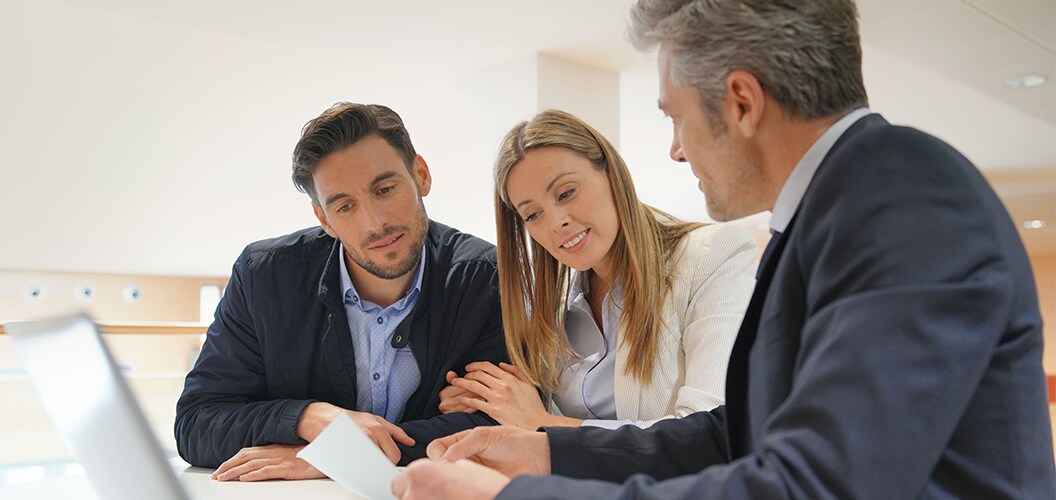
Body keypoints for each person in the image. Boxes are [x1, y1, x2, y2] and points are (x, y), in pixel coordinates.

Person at [391, 1, 1056, 498]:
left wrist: (517, 496)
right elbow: (734, 433)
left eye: (674, 116)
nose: (677, 148)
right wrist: (545, 457)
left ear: (740, 102)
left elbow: (817, 486)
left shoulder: (903, 199)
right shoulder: (834, 210)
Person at [175, 102, 508, 481]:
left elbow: (497, 429)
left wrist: (332, 458)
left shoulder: (487, 277)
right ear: (324, 219)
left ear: (421, 175)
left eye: (384, 189)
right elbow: (197, 422)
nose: (375, 223)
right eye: (345, 206)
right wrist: (309, 418)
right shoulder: (263, 275)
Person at [436, 110, 756, 431]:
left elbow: (710, 430)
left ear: (610, 172)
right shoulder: (552, 304)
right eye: (533, 214)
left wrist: (544, 425)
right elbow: (525, 409)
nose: (556, 222)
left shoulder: (714, 256)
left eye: (566, 193)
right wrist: (482, 397)